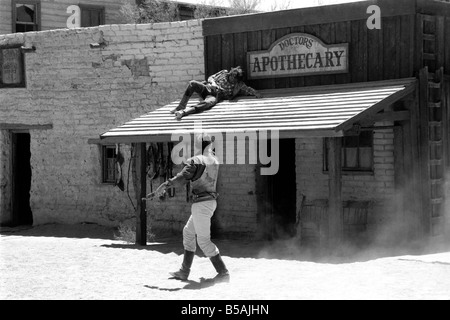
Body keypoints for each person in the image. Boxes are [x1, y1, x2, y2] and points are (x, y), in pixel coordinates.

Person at [151, 134, 229, 282]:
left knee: (204, 242)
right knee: (188, 232)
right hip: (209, 203)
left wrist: (165, 185)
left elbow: (182, 177)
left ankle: (223, 273)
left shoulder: (197, 160)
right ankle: (184, 271)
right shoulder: (214, 160)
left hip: (201, 204)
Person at [170, 66, 262, 120]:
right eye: (232, 77)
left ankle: (184, 112)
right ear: (230, 74)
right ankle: (181, 106)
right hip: (208, 88)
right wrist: (213, 83)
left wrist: (256, 93)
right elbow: (211, 77)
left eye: (235, 79)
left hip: (216, 95)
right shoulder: (224, 73)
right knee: (192, 83)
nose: (232, 80)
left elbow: (248, 89)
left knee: (208, 103)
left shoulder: (238, 85)